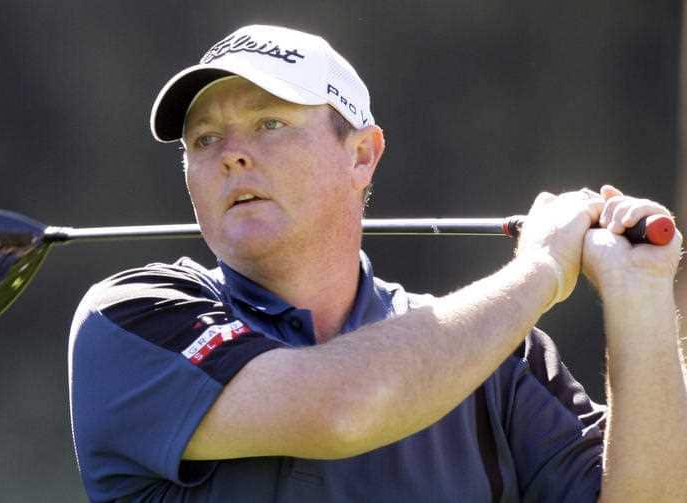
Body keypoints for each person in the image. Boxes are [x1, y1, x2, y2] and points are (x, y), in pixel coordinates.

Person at [68, 25, 687, 502]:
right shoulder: (133, 318)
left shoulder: (502, 359)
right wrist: (542, 270)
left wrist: (644, 300)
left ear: (362, 155)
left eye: (270, 122)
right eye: (204, 139)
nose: (232, 155)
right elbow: (345, 410)